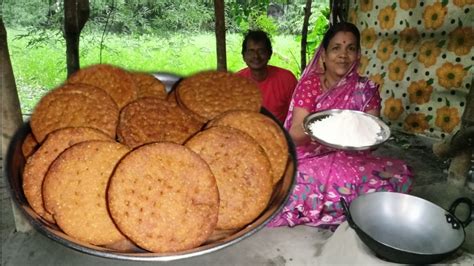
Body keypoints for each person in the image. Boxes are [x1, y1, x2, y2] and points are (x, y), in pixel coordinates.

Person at [268, 22, 413, 228]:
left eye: (350, 48)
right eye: (336, 48)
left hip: (351, 160)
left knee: (397, 177)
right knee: (289, 182)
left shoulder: (367, 89)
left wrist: (352, 137)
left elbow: (372, 137)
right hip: (310, 158)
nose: (343, 55)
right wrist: (322, 129)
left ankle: (334, 202)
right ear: (324, 55)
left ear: (358, 54)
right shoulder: (310, 86)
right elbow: (295, 135)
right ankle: (347, 204)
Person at [237, 30, 298, 123]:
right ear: (244, 56)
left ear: (269, 54)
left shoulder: (287, 79)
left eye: (261, 51)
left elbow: (297, 115)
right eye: (251, 51)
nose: (256, 56)